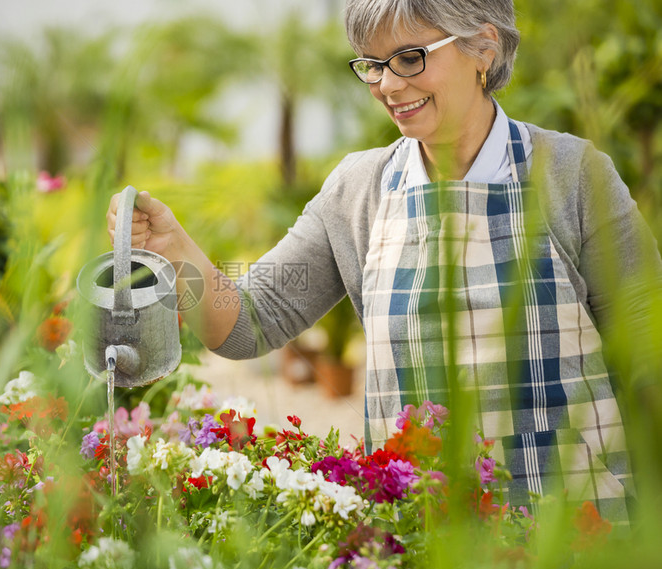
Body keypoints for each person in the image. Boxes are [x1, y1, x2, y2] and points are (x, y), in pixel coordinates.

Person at [107, 0, 662, 525]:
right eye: (373, 65)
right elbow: (249, 320)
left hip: (580, 529)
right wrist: (175, 245)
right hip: (425, 532)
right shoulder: (358, 192)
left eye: (410, 57)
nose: (389, 86)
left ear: (483, 47)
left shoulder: (571, 174)